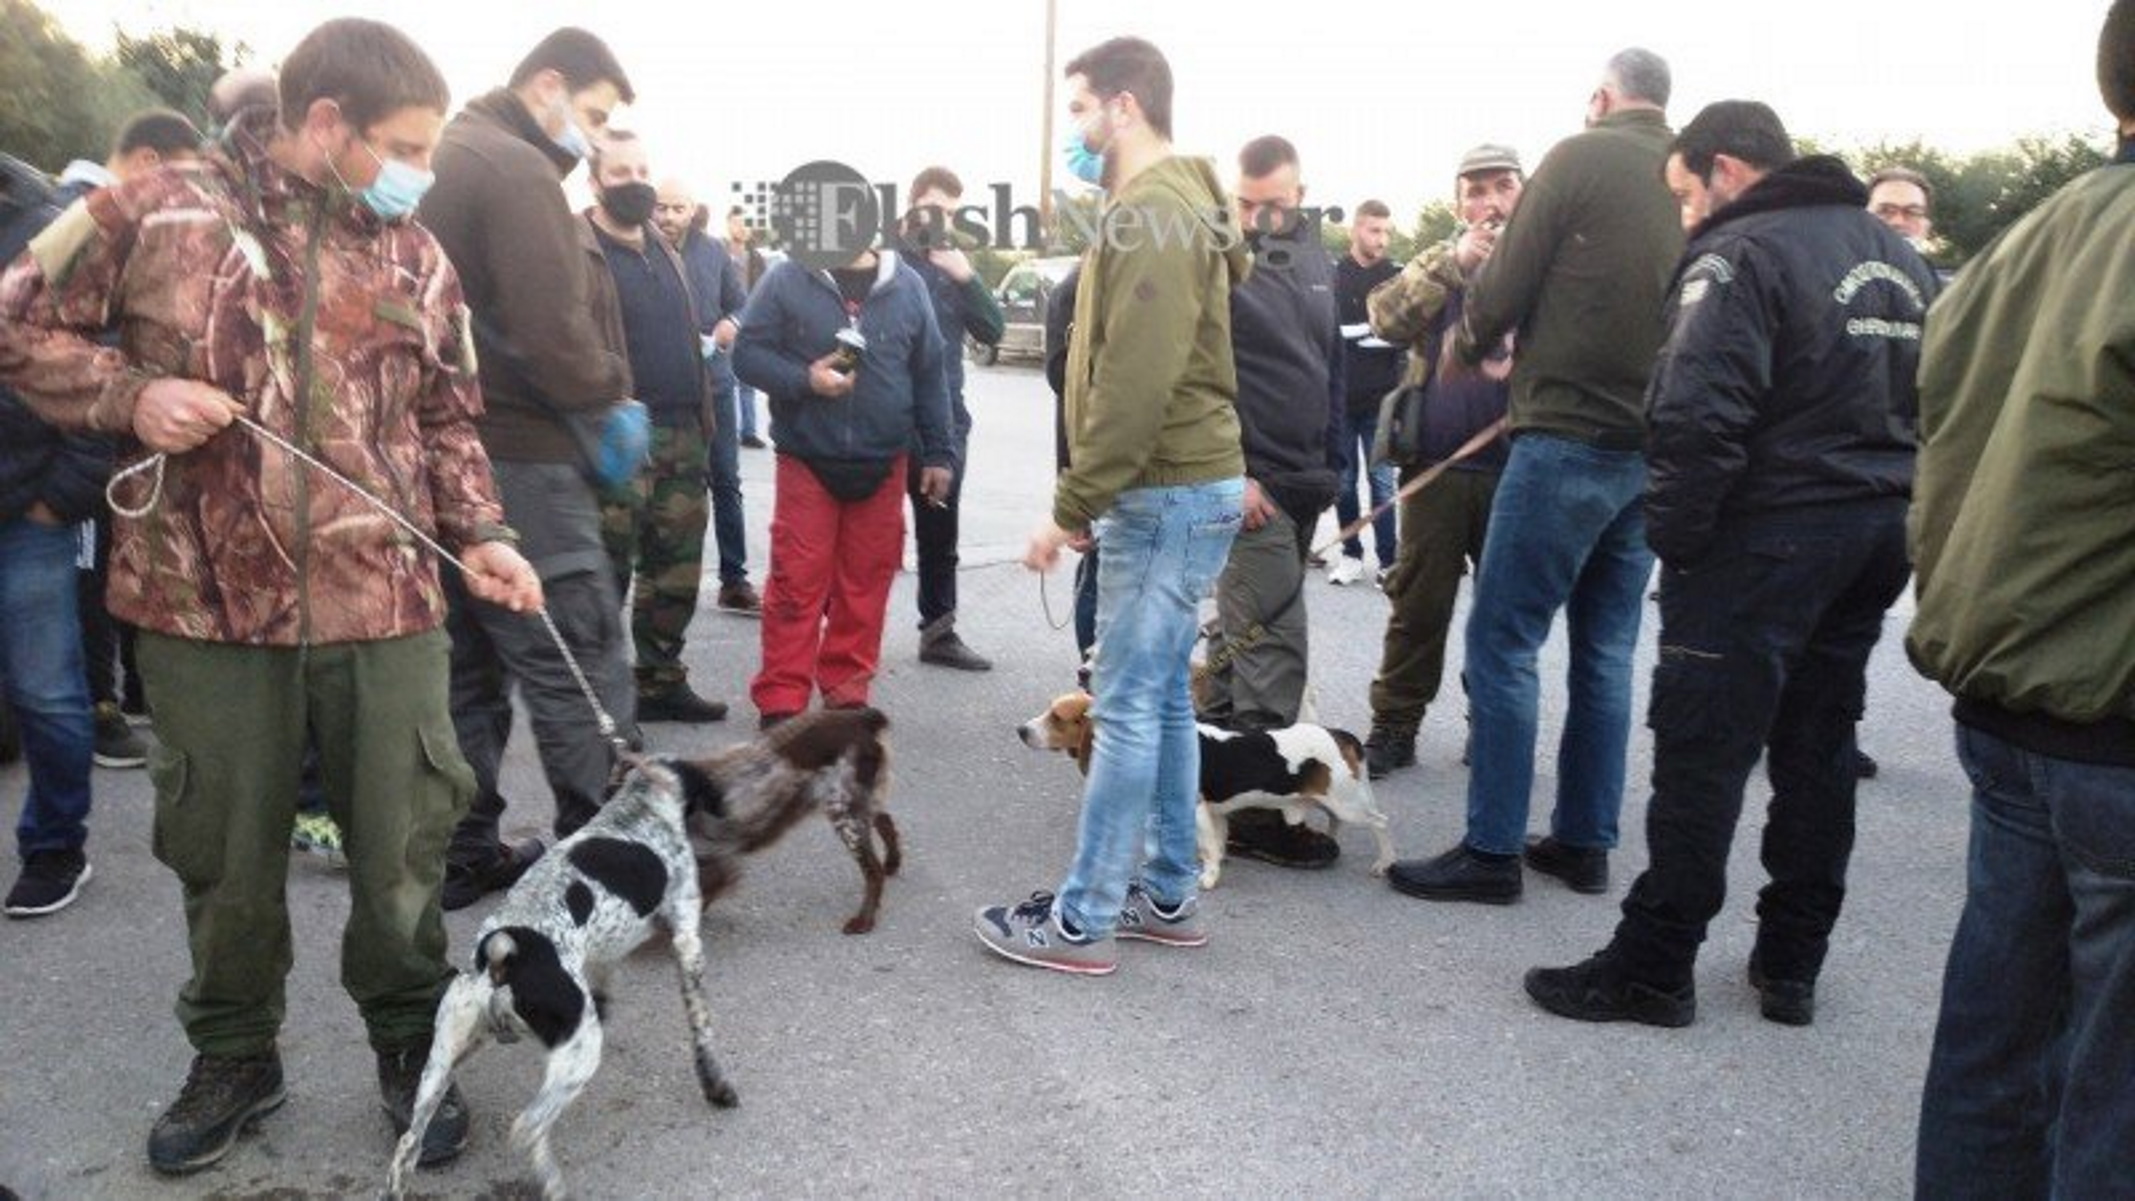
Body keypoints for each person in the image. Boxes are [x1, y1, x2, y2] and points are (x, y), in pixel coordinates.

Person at [0, 17, 543, 1172]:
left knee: (404, 844)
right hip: (202, 607)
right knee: (223, 853)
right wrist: (131, 394)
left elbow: (449, 417)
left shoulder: (414, 252)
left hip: (386, 601)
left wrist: (483, 532)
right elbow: (16, 320)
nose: (419, 169)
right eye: (402, 143)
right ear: (326, 121)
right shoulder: (153, 208)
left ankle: (413, 1039)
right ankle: (236, 1053)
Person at [1524, 101, 1933, 1029]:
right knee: (1817, 747)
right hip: (1872, 533)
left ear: (1726, 169)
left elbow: (1693, 413)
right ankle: (1791, 961)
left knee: (1701, 753)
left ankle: (1652, 965)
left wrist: (1679, 542)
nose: (1683, 215)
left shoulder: (1736, 254)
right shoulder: (1901, 258)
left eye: (1683, 193)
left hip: (1764, 539)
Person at [1911, 6, 2135, 1191]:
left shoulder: (2027, 234)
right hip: (2106, 720)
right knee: (2107, 1096)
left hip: (2008, 700)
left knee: (1993, 1045)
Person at [977, 36, 1247, 975]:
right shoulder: (1164, 209)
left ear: (1124, 106)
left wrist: (1072, 501)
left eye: (1083, 111)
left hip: (1164, 488)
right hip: (1171, 484)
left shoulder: (1155, 214)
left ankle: (1083, 919)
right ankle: (1167, 891)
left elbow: (1135, 379)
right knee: (1161, 700)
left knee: (1125, 709)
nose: (1077, 133)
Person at [1388, 49, 1684, 906]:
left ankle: (1490, 853)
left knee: (1502, 642)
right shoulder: (1688, 168)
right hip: (1646, 446)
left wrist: (1469, 343)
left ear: (1600, 97)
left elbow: (1505, 281)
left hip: (1562, 436)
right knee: (1604, 648)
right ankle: (1585, 841)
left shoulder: (1578, 155)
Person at [418, 27, 639, 910]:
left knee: (469, 667)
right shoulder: (515, 170)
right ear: (546, 85)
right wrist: (609, 397)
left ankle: (463, 850)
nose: (590, 137)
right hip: (528, 460)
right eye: (591, 115)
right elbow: (554, 332)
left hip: (446, 462)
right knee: (575, 654)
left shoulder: (448, 154)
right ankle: (614, 864)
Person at [731, 215, 954, 727]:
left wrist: (940, 454)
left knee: (866, 583)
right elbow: (747, 355)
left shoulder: (909, 286)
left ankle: (847, 692)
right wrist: (804, 380)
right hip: (808, 458)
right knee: (796, 581)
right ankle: (782, 699)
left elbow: (930, 374)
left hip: (883, 460)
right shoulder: (786, 278)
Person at [1198, 133, 1346, 866]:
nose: (1258, 219)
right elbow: (1196, 379)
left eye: (1275, 205)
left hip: (1306, 478)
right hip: (1248, 487)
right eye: (1245, 204)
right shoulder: (1214, 261)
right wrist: (1233, 472)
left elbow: (1331, 365)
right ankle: (1261, 817)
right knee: (1271, 650)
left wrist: (1336, 463)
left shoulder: (1319, 259)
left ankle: (1208, 780)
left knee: (1240, 639)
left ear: (1301, 193)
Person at [1360, 143, 1523, 780]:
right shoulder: (1439, 259)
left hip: (1519, 466)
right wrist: (1454, 265)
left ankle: (1493, 727)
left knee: (1503, 613)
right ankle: (1395, 725)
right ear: (1459, 203)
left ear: (1522, 193)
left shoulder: (1549, 259)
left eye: (1501, 187)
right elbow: (1384, 317)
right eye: (1475, 191)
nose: (1488, 203)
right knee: (1417, 607)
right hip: (1435, 467)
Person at [51, 110, 204, 773]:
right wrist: (71, 484)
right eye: (182, 174)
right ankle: (99, 705)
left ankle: (122, 692)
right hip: (72, 455)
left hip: (83, 456)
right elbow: (82, 351)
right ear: (148, 162)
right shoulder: (84, 220)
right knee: (82, 587)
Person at [587, 135, 729, 724]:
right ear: (595, 181)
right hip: (616, 435)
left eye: (643, 168)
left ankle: (660, 678)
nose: (637, 180)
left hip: (682, 431)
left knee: (676, 570)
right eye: (621, 171)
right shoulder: (576, 245)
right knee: (606, 573)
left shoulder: (663, 246)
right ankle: (600, 703)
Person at [891, 166, 1006, 671]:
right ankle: (838, 636)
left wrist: (968, 277)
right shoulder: (883, 259)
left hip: (945, 419)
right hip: (887, 419)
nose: (944, 221)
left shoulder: (957, 266)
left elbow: (993, 329)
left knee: (940, 534)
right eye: (935, 209)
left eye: (954, 214)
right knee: (867, 538)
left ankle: (939, 633)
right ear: (913, 204)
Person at [654, 182, 761, 616]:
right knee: (666, 488)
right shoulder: (641, 248)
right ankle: (664, 584)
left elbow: (742, 304)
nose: (668, 216)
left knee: (726, 482)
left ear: (693, 209)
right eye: (661, 207)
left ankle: (733, 580)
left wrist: (729, 325)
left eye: (678, 207)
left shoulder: (714, 252)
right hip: (662, 391)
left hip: (715, 386)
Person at [1329, 198, 1401, 587]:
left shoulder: (1398, 276)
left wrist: (1364, 335)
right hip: (1340, 400)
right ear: (1356, 230)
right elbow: (1332, 334)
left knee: (1382, 483)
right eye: (1375, 230)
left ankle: (1389, 561)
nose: (1383, 238)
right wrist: (1372, 333)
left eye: (1387, 231)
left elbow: (1399, 336)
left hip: (1382, 402)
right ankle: (1351, 554)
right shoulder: (1334, 274)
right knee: (1342, 482)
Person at [727, 206, 769, 449]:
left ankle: (749, 432)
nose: (741, 228)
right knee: (726, 382)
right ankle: (729, 432)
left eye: (746, 224)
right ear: (728, 224)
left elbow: (764, 293)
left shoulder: (757, 258)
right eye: (737, 223)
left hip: (750, 325)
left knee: (747, 381)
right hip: (725, 323)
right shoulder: (719, 253)